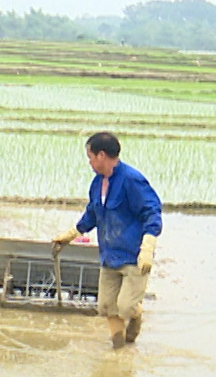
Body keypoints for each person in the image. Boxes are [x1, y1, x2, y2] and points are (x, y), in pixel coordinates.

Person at [55, 132, 161, 347]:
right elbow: (92, 214)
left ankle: (136, 315)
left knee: (126, 307)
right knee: (106, 306)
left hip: (133, 256)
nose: (90, 162)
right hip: (109, 255)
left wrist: (147, 246)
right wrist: (72, 234)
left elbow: (152, 211)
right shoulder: (96, 184)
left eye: (90, 157)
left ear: (101, 155)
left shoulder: (131, 180)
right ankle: (119, 350)